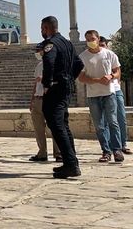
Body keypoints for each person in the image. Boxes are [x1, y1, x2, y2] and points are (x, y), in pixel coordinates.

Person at [40, 16, 84, 179]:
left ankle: (71, 165)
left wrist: (47, 84)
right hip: (65, 87)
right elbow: (79, 64)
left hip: (56, 89)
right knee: (63, 125)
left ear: (46, 28)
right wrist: (69, 78)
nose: (42, 32)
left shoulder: (50, 44)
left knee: (57, 125)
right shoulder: (67, 43)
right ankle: (71, 162)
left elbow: (49, 64)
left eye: (42, 28)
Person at [79, 30, 123, 163]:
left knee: (113, 122)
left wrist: (111, 76)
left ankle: (117, 150)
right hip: (93, 95)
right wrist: (97, 80)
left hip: (109, 93)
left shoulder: (109, 54)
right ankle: (106, 151)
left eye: (92, 39)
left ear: (98, 39)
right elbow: (81, 77)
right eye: (87, 40)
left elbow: (117, 71)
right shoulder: (82, 57)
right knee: (99, 125)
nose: (90, 42)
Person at [29, 43, 61, 162]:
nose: (37, 52)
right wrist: (32, 99)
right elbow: (35, 83)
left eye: (39, 50)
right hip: (38, 98)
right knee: (38, 128)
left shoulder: (55, 63)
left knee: (53, 127)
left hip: (49, 98)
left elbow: (57, 79)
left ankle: (58, 153)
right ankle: (42, 152)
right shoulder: (39, 65)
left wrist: (44, 78)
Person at [99, 36, 131, 154]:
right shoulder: (96, 57)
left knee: (120, 117)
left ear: (106, 45)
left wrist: (116, 83)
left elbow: (118, 72)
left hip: (115, 90)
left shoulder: (111, 55)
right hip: (102, 91)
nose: (101, 47)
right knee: (105, 120)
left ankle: (123, 143)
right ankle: (109, 145)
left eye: (103, 45)